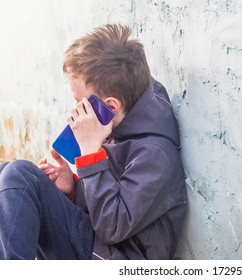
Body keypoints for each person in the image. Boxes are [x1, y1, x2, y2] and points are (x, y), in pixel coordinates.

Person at [0, 24, 187, 260]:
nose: (75, 112)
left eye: (82, 103)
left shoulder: (155, 154)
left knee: (19, 175)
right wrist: (74, 190)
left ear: (109, 107)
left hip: (116, 259)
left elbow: (112, 226)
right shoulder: (115, 130)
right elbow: (104, 204)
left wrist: (90, 153)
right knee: (6, 171)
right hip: (95, 245)